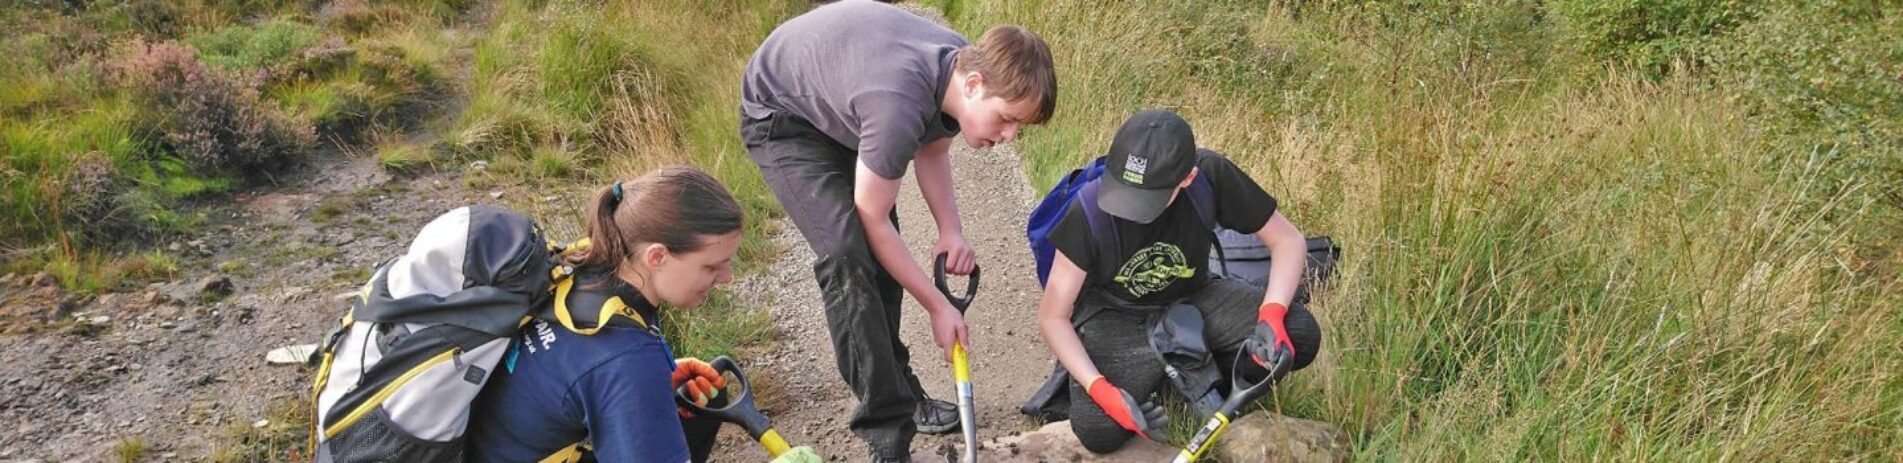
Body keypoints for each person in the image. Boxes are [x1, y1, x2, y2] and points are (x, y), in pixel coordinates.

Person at [739, 1, 1057, 460]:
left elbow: (932, 149)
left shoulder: (956, 66)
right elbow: (872, 219)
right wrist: (936, 304)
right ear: (974, 85)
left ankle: (902, 393)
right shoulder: (898, 104)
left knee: (884, 262)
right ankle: (887, 438)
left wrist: (951, 230)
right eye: (1007, 118)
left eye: (1019, 128)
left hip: (840, 101)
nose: (1009, 135)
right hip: (782, 115)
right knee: (849, 254)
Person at [465, 166, 807, 462]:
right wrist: (640, 383)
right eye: (711, 266)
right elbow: (612, 366)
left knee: (701, 400)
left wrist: (654, 382)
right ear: (657, 256)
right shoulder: (625, 359)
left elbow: (577, 372)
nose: (727, 278)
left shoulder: (582, 268)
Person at [1035, 110, 1324, 453]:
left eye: (1146, 199)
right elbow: (1052, 316)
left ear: (1187, 178)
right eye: (1123, 190)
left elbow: (1288, 241)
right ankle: (1170, 379)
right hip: (1118, 316)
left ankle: (1198, 369)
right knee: (1098, 430)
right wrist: (1100, 389)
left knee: (1300, 334)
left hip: (1196, 296)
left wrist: (1271, 314)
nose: (1128, 209)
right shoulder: (1088, 211)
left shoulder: (1212, 177)